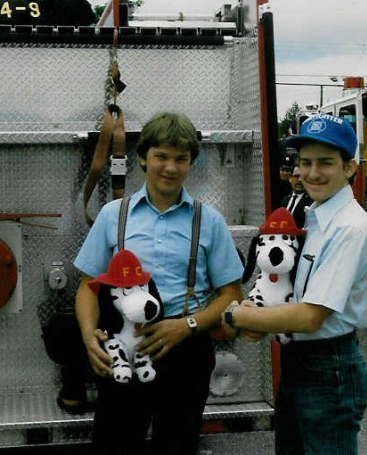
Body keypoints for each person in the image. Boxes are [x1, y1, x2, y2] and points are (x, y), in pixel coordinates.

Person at [74, 111, 244, 455]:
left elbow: (231, 296)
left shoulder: (208, 221)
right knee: (115, 443)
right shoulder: (113, 216)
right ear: (142, 158)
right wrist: (90, 336)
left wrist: (187, 325)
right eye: (161, 156)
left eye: (181, 158)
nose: (170, 167)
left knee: (178, 445)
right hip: (124, 346)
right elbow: (87, 286)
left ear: (191, 162)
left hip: (187, 351)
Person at [222, 114, 367, 455]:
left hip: (330, 368)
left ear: (350, 167)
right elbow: (295, 291)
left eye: (325, 163)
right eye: (305, 162)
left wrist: (240, 317)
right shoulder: (315, 215)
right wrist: (258, 310)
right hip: (303, 362)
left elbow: (310, 316)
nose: (312, 173)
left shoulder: (348, 228)